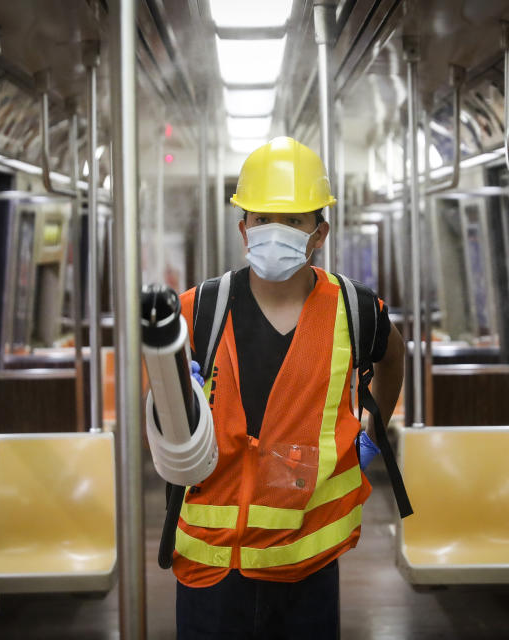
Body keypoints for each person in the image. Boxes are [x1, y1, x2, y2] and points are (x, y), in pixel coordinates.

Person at [173, 137, 405, 638]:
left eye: (294, 220)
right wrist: (171, 398)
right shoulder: (198, 310)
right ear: (243, 229)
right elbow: (157, 416)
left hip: (309, 559)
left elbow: (393, 358)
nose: (274, 231)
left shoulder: (356, 310)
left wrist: (371, 430)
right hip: (212, 565)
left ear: (319, 232)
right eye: (261, 219)